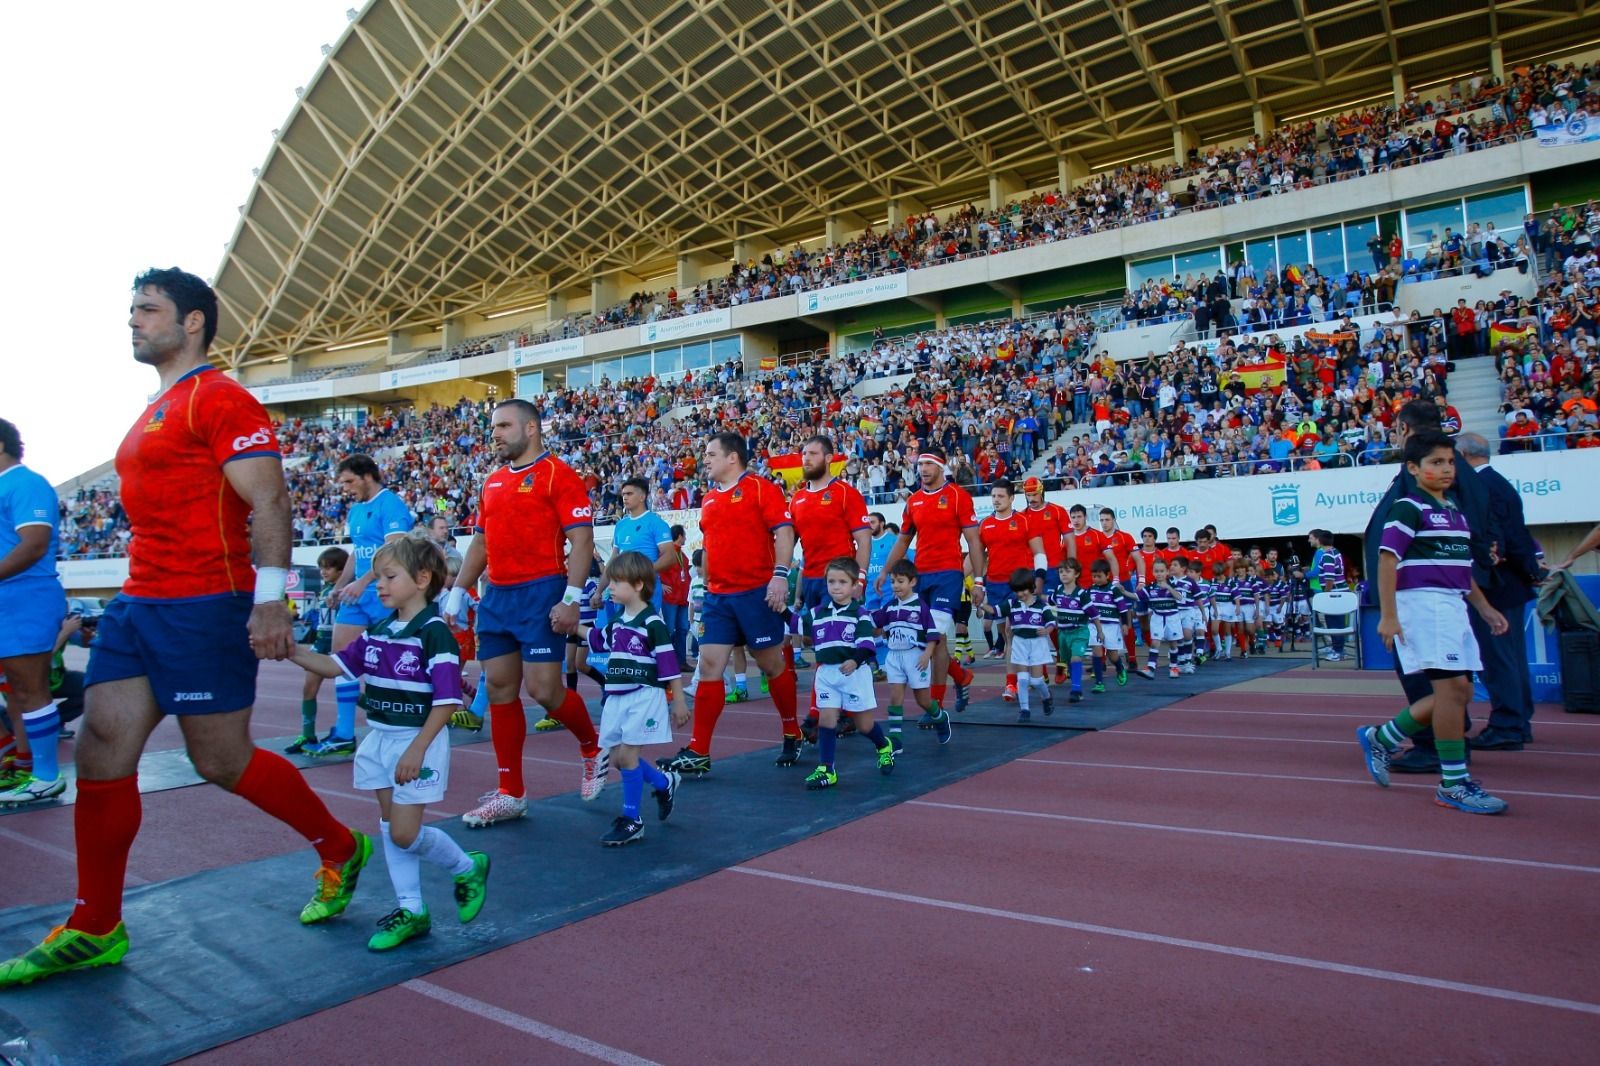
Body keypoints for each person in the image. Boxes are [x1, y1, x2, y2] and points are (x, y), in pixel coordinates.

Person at [0, 268, 370, 987]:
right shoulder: (155, 407)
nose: (132, 321)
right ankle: (95, 922)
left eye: (147, 309)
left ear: (193, 321)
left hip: (207, 601)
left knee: (221, 761)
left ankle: (339, 845)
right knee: (103, 746)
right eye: (131, 309)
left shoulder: (219, 396)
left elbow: (271, 499)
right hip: (140, 602)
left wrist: (270, 601)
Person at [291, 537, 490, 949]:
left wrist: (417, 749)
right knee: (391, 828)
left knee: (402, 832)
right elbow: (333, 666)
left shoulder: (435, 635)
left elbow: (446, 700)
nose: (377, 585)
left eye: (388, 577)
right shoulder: (380, 630)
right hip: (379, 740)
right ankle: (412, 909)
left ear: (421, 579)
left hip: (416, 740)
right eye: (378, 577)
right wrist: (289, 650)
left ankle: (466, 866)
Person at [442, 398, 610, 828]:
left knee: (544, 691)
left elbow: (583, 542)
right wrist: (459, 590)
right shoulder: (492, 481)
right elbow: (479, 544)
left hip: (541, 592)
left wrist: (571, 598)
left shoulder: (559, 474)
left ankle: (592, 747)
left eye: (503, 425)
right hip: (497, 595)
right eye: (493, 426)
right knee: (498, 688)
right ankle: (511, 792)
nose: (494, 433)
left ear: (531, 428)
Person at [1357, 430, 1511, 814]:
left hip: (1453, 605)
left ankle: (1383, 737)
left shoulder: (1455, 510)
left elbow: (1460, 569)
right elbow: (1387, 559)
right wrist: (1388, 616)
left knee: (1457, 693)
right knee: (1451, 691)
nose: (1445, 469)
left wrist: (1484, 607)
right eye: (1435, 462)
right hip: (1424, 606)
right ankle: (1453, 783)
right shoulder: (1408, 508)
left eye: (1449, 462)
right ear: (1414, 468)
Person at [657, 432, 804, 777]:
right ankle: (699, 750)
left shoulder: (760, 488)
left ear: (732, 457)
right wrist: (707, 583)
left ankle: (791, 730)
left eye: (710, 454)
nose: (705, 459)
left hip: (756, 592)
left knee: (770, 665)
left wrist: (780, 576)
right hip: (719, 597)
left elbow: (785, 532)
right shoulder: (708, 499)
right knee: (709, 667)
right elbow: (709, 545)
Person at [578, 551, 688, 846]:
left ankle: (632, 819)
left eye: (616, 581)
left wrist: (678, 700)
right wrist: (569, 626)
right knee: (617, 759)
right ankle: (665, 783)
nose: (609, 587)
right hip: (617, 695)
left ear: (638, 585)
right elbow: (597, 639)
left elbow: (669, 666)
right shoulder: (616, 620)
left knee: (627, 757)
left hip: (643, 695)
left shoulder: (652, 622)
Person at [314, 454, 414, 756]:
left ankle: (405, 723)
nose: (345, 488)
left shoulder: (391, 504)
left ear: (367, 476)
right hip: (358, 596)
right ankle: (345, 733)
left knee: (392, 664)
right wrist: (341, 585)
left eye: (349, 481)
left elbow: (393, 551)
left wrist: (362, 582)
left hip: (387, 593)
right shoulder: (356, 510)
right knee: (341, 659)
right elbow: (358, 552)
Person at [874, 448, 982, 722]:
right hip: (921, 576)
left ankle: (936, 704)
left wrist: (979, 580)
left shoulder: (958, 496)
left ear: (940, 467)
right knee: (936, 638)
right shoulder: (914, 501)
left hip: (948, 575)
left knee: (933, 636)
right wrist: (885, 571)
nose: (922, 468)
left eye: (927, 464)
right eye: (919, 464)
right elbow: (903, 541)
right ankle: (961, 676)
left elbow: (973, 541)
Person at [1456, 432, 1542, 749]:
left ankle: (1508, 724)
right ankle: (1517, 721)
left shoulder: (1483, 487)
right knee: (1512, 658)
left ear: (1463, 455)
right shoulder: (1498, 483)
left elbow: (1500, 537)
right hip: (1509, 581)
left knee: (1499, 657)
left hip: (1496, 583)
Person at [0, 417, 68, 805]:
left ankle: (45, 774)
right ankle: (25, 764)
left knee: (29, 690)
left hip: (22, 597)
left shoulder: (25, 483)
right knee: (16, 692)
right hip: (9, 598)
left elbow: (34, 545)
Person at [790, 435, 870, 733]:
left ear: (828, 458)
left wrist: (859, 578)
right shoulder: (797, 498)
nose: (806, 459)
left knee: (837, 645)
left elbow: (863, 539)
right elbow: (789, 540)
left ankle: (825, 712)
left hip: (837, 580)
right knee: (817, 644)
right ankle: (832, 707)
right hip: (810, 578)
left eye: (812, 453)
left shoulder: (845, 493)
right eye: (803, 454)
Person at [799, 558, 897, 790]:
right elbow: (797, 625)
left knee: (864, 726)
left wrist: (855, 660)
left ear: (854, 586)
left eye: (842, 582)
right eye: (831, 581)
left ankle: (883, 746)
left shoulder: (860, 613)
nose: (836, 586)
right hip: (826, 673)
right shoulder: (817, 613)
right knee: (826, 719)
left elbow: (866, 645)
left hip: (854, 674)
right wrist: (780, 611)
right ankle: (827, 769)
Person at [974, 479, 1045, 702]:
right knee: (1007, 634)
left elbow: (1039, 553)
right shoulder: (985, 525)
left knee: (1013, 632)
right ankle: (1029, 673)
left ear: (1012, 498)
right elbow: (977, 556)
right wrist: (966, 579)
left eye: (1001, 496)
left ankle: (1012, 684)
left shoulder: (1024, 521)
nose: (996, 500)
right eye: (993, 496)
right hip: (995, 585)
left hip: (1020, 586)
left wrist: (1039, 579)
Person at [285, 547, 348, 755]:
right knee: (308, 689)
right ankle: (308, 733)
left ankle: (376, 712)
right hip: (321, 644)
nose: (324, 571)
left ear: (341, 570)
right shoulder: (323, 590)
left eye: (329, 567)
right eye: (321, 567)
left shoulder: (347, 590)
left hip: (339, 645)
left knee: (349, 692)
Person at [872, 559, 943, 740]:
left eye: (900, 581)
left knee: (923, 700)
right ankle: (895, 739)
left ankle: (940, 718)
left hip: (915, 657)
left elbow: (933, 635)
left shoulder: (920, 606)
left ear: (912, 582)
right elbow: (873, 622)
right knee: (895, 697)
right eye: (893, 581)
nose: (896, 586)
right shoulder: (890, 606)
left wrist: (927, 654)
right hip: (894, 657)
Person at [988, 568, 1055, 722]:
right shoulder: (1012, 603)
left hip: (1037, 644)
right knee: (1023, 679)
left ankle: (1046, 697)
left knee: (1037, 681)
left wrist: (1046, 630)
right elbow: (995, 611)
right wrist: (981, 604)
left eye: (1023, 590)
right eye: (1017, 591)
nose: (1020, 594)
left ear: (1031, 587)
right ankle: (1024, 710)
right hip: (1019, 643)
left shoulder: (1041, 605)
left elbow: (1051, 622)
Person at [1086, 560, 1137, 691]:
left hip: (1112, 626)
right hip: (1095, 626)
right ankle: (1099, 683)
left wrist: (1125, 624)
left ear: (1107, 575)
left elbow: (1123, 608)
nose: (1096, 579)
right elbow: (1086, 608)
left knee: (1112, 654)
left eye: (1099, 576)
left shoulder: (1114, 590)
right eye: (1094, 576)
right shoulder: (1090, 590)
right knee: (1097, 652)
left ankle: (1119, 667)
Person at [1049, 560, 1093, 701]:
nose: (1063, 574)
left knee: (1076, 658)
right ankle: (1067, 674)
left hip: (1079, 631)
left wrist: (1100, 630)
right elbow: (1049, 602)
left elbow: (1094, 614)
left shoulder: (1082, 594)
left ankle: (1076, 690)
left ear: (1076, 574)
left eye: (1067, 571)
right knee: (1068, 660)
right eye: (1061, 572)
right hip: (1063, 633)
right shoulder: (1057, 591)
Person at [1138, 559, 1187, 679]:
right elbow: (1136, 596)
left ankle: (1174, 667)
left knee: (1173, 644)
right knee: (1155, 642)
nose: (1159, 573)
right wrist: (1123, 592)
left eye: (1161, 571)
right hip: (1157, 617)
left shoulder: (1174, 584)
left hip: (1172, 618)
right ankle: (1150, 668)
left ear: (1167, 572)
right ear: (1153, 573)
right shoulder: (1150, 587)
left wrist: (1168, 588)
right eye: (1156, 571)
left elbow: (1181, 598)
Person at [1307, 529, 1349, 661]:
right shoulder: (1335, 552)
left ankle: (1338, 651)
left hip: (1334, 594)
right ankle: (1337, 648)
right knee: (1335, 622)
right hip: (1338, 592)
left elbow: (1329, 578)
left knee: (1334, 623)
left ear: (1319, 540)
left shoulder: (1327, 555)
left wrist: (1326, 595)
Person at [659, 524, 692, 670]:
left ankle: (681, 661)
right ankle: (668, 661)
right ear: (679, 536)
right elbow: (654, 567)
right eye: (684, 535)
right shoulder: (666, 552)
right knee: (670, 629)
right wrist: (659, 584)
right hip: (670, 598)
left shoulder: (682, 555)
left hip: (682, 598)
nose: (685, 538)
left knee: (683, 629)